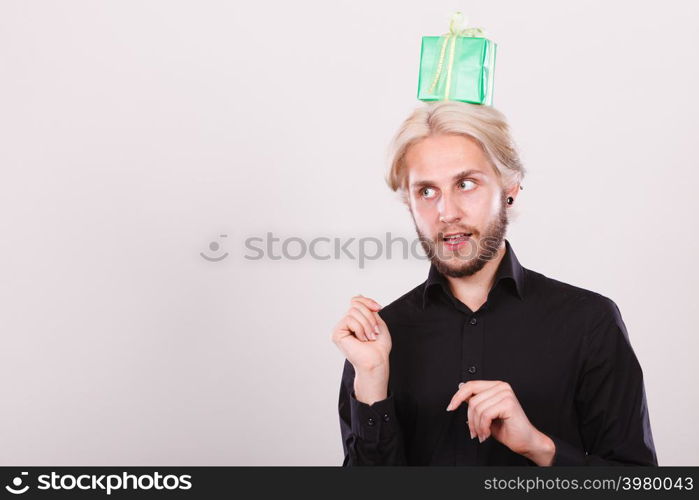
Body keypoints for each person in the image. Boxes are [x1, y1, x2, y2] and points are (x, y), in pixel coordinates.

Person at [331, 101, 658, 466]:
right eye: (426, 191)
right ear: (408, 202)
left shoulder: (589, 322)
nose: (447, 212)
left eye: (465, 184)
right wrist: (373, 382)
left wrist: (540, 447)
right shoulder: (377, 342)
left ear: (510, 186)